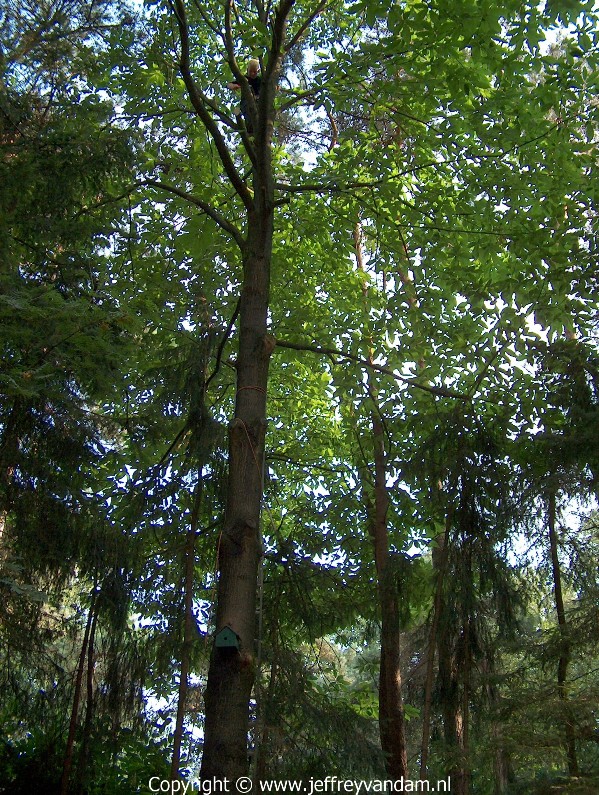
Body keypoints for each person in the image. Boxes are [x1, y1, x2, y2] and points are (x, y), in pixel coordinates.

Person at [227, 59, 261, 133]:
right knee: (248, 115)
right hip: (246, 104)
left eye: (254, 72)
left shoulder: (260, 80)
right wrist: (233, 86)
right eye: (250, 71)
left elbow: (270, 87)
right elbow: (229, 84)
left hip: (258, 103)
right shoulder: (244, 79)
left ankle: (257, 128)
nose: (252, 73)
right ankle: (250, 129)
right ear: (247, 70)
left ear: (258, 71)